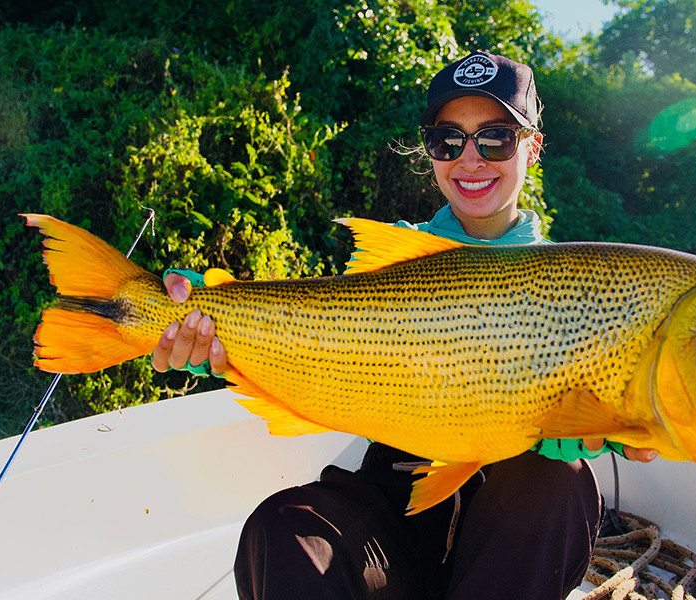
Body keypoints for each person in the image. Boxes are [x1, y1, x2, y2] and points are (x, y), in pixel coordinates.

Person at [151, 51, 656, 600]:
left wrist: (588, 432)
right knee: (283, 527)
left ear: (532, 146)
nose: (471, 160)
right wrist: (213, 320)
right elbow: (310, 335)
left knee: (561, 481)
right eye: (448, 140)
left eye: (496, 139)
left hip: (509, 523)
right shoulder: (392, 258)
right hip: (391, 498)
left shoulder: (581, 286)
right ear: (430, 152)